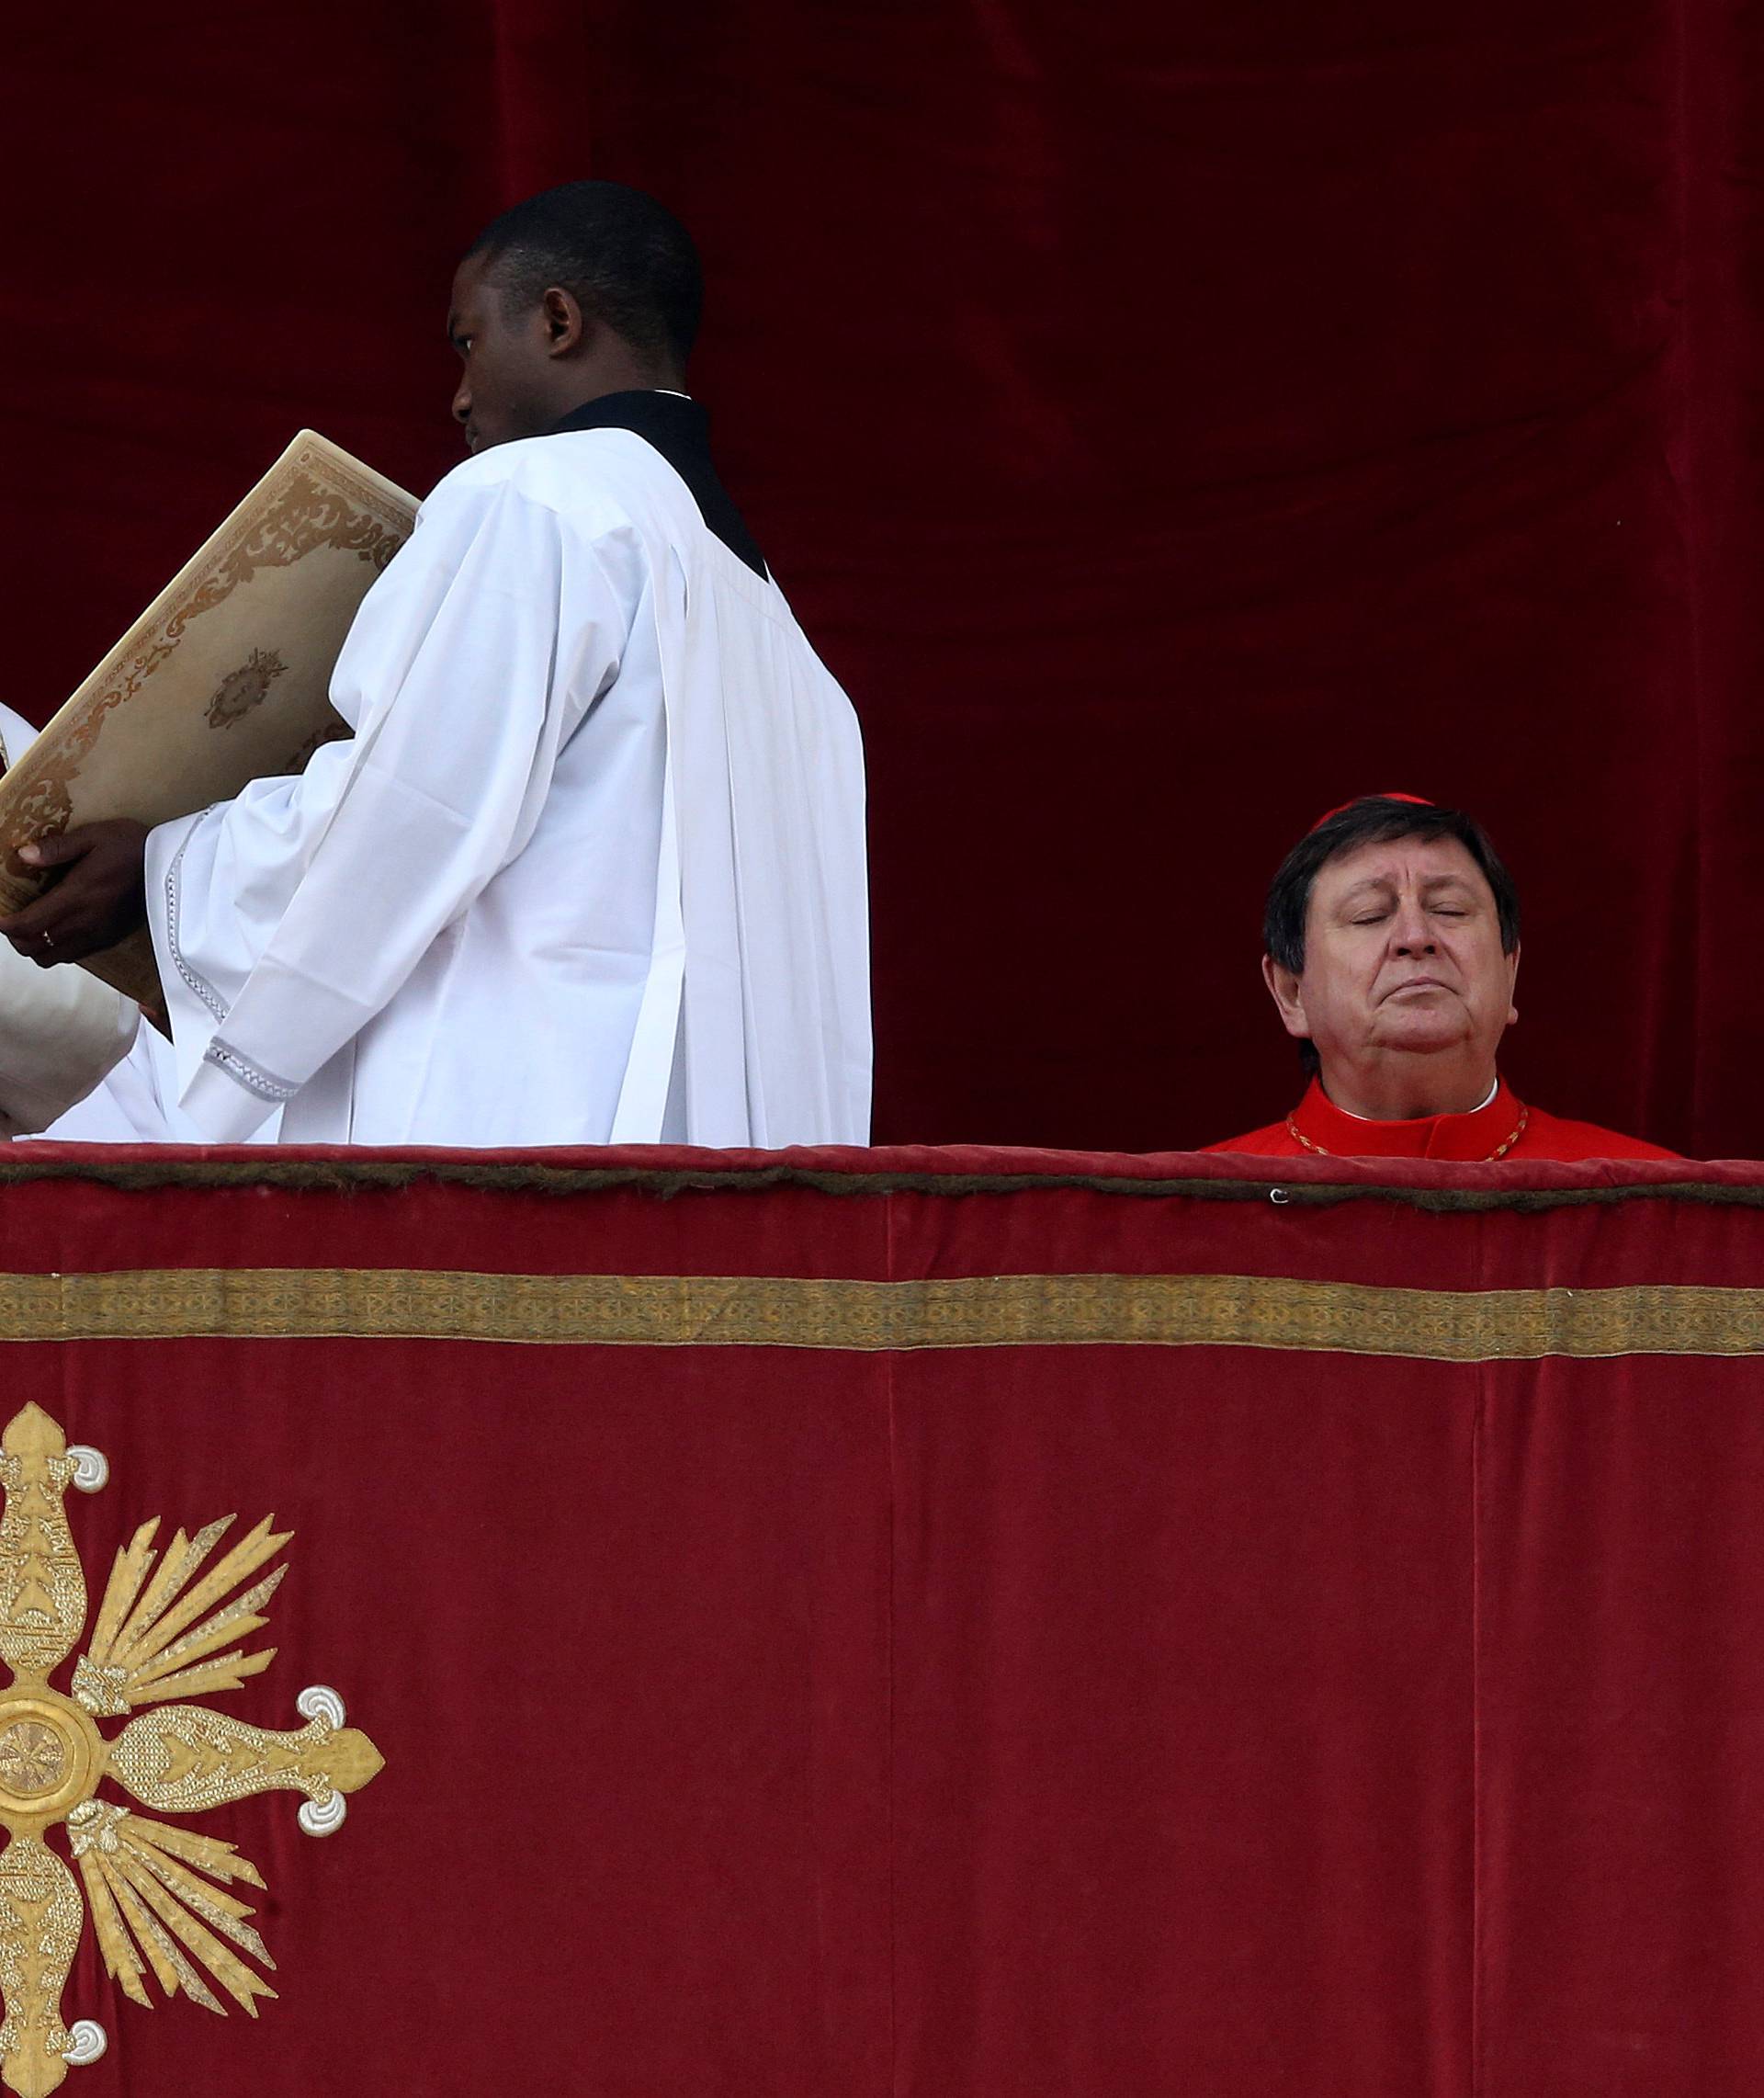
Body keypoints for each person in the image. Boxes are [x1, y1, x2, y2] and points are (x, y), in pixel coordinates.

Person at [6, 181, 869, 1147]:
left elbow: (405, 812)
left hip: (514, 1136)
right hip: (712, 1180)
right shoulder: (788, 651)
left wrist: (162, 865)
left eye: (467, 342)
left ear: (556, 322)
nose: (458, 394)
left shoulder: (535, 498)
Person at [1206, 793, 1678, 1161]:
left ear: (1510, 972)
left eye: (1448, 909)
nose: (1415, 936)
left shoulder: (1643, 1202)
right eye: (1369, 915)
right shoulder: (1201, 1215)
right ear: (1292, 994)